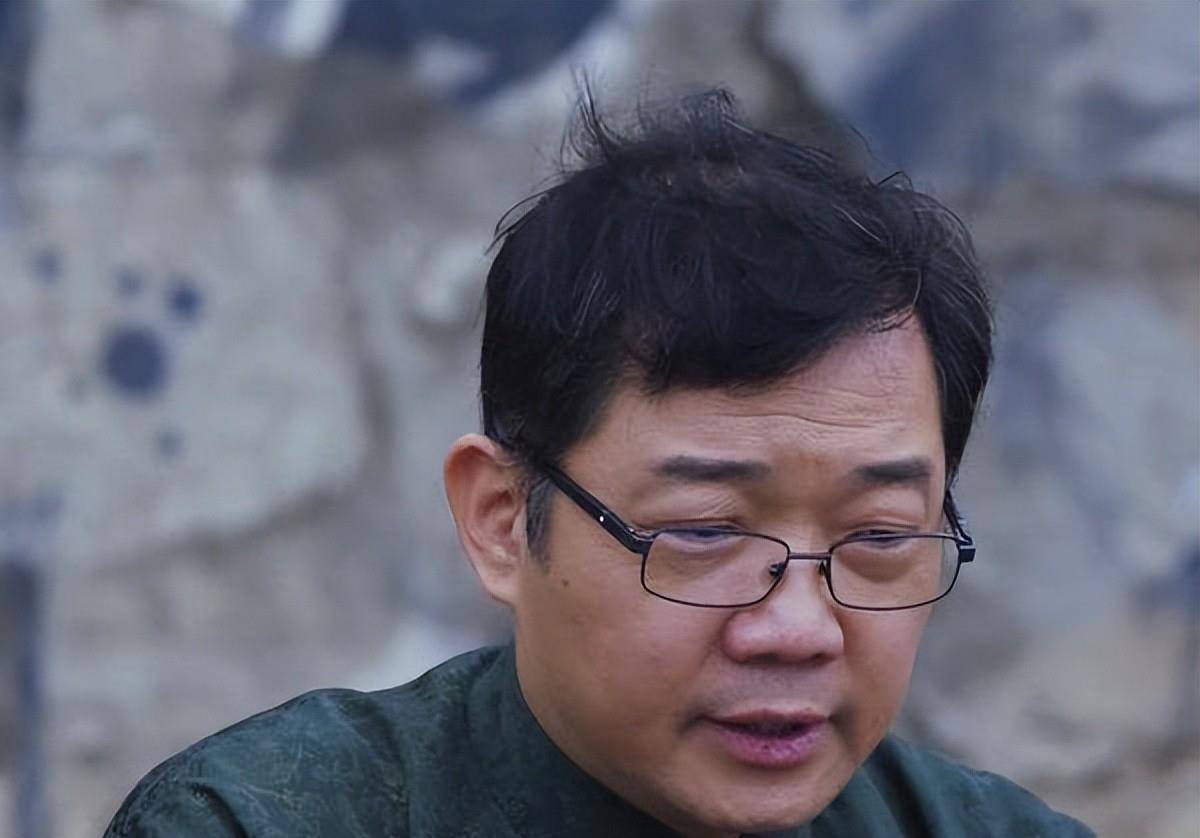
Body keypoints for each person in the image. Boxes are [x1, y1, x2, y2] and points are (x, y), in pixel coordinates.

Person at [104, 89, 1094, 837]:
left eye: (878, 537)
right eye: (705, 530)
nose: (799, 629)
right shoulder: (260, 820)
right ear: (502, 518)